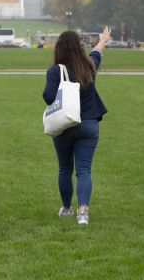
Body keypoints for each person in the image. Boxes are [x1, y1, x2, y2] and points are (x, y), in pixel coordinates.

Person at [42, 26, 111, 225]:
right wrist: (103, 40)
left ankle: (66, 208)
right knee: (84, 170)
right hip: (89, 124)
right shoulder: (89, 65)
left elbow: (48, 97)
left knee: (65, 169)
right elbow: (96, 53)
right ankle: (83, 212)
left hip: (64, 124)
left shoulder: (56, 71)